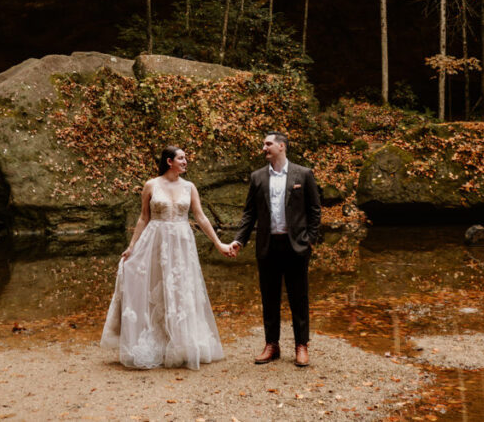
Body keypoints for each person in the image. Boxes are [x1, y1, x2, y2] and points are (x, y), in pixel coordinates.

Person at [101, 146, 233, 369]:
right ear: (169, 161)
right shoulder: (151, 185)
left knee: (182, 288)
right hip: (155, 241)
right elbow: (143, 218)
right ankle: (157, 342)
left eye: (186, 158)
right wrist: (131, 246)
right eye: (181, 158)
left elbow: (200, 217)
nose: (185, 161)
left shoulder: (189, 187)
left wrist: (219, 244)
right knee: (156, 287)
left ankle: (180, 343)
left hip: (182, 242)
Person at [229, 131, 321, 367]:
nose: (264, 148)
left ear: (281, 146)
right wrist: (240, 240)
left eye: (268, 144)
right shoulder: (257, 177)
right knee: (269, 297)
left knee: (299, 297)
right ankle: (272, 345)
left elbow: (314, 210)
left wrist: (310, 239)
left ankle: (301, 345)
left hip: (296, 246)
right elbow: (249, 213)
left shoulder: (304, 174)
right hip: (267, 245)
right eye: (263, 144)